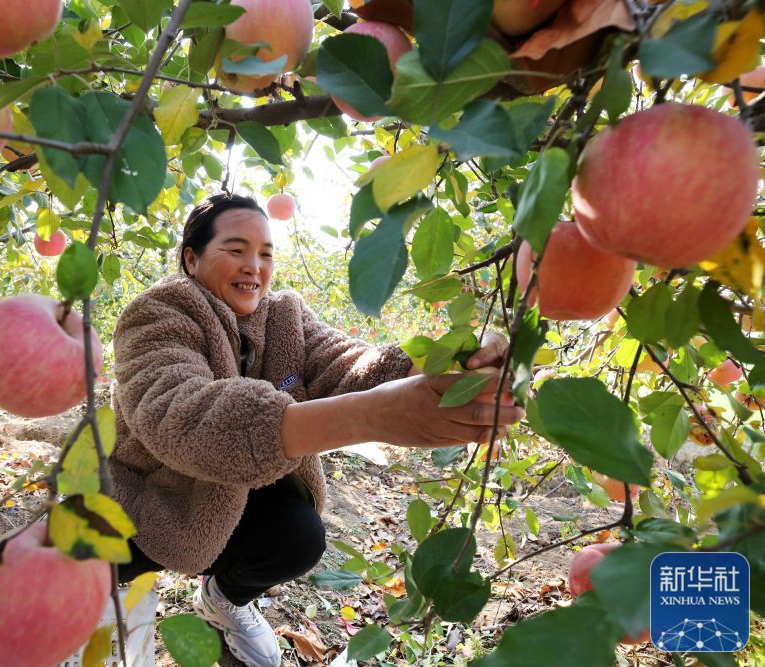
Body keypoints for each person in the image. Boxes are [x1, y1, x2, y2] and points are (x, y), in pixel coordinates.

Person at [110, 193, 523, 667]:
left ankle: (222, 600)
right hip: (151, 496)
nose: (254, 266)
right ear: (191, 258)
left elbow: (350, 363)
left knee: (297, 538)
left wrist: (452, 356)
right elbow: (182, 415)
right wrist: (372, 415)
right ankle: (108, 609)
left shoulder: (285, 317)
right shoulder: (158, 313)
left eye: (265, 253)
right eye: (236, 249)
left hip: (225, 499)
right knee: (104, 560)